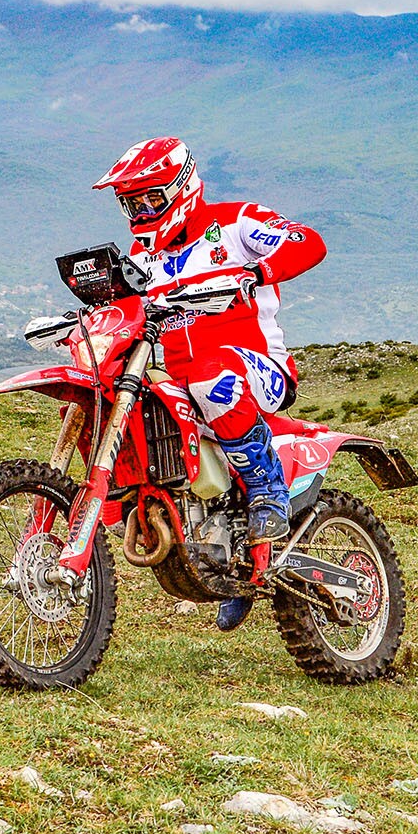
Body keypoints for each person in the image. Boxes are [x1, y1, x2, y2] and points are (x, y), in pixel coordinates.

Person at [93, 137, 327, 631]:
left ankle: (268, 493)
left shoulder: (236, 222)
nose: (140, 210)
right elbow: (126, 312)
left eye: (150, 198)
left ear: (181, 186)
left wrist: (255, 271)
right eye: (131, 202)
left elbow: (308, 241)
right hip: (186, 381)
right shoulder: (141, 254)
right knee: (114, 392)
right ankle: (213, 550)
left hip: (259, 369)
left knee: (207, 375)